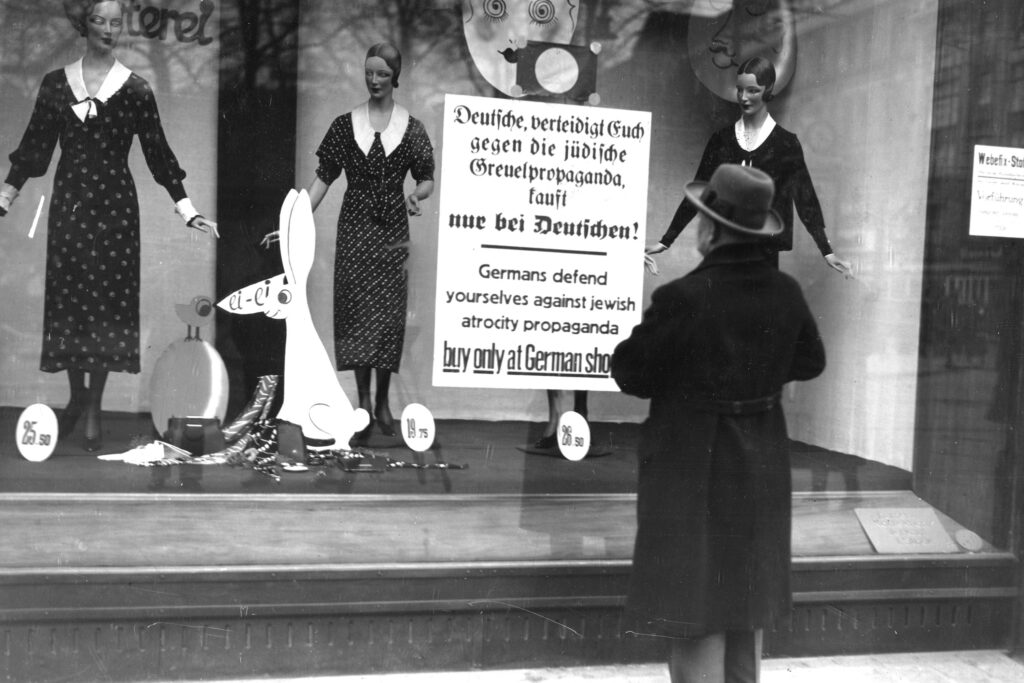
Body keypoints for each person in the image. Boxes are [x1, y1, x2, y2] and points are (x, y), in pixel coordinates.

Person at [611, 164, 826, 682]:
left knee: (693, 601)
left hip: (692, 465)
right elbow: (811, 362)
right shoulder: (786, 294)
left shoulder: (684, 298)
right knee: (744, 599)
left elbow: (630, 371)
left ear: (711, 228)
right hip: (760, 463)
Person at [0, 0, 217, 452]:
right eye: (101, 20)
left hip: (116, 212)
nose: (110, 29)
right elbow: (35, 146)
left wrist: (186, 208)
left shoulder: (135, 89)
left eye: (117, 22)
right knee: (71, 303)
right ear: (85, 25)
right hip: (70, 208)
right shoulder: (57, 84)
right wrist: (6, 194)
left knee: (104, 307)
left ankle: (93, 405)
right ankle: (77, 396)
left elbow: (159, 153)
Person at [308, 42, 435, 441]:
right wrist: (296, 217)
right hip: (355, 228)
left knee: (388, 315)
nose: (375, 80)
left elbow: (426, 176)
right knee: (357, 314)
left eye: (382, 73)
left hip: (393, 230)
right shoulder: (345, 125)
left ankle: (382, 401)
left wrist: (418, 194)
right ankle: (362, 401)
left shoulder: (412, 127)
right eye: (369, 73)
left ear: (395, 77)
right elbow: (323, 178)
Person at [645, 56, 850, 276]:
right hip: (723, 252)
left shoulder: (786, 144)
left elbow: (805, 198)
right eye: (740, 90)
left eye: (752, 90)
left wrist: (826, 250)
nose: (744, 97)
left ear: (768, 89)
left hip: (765, 256)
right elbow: (699, 193)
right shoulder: (721, 140)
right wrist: (666, 240)